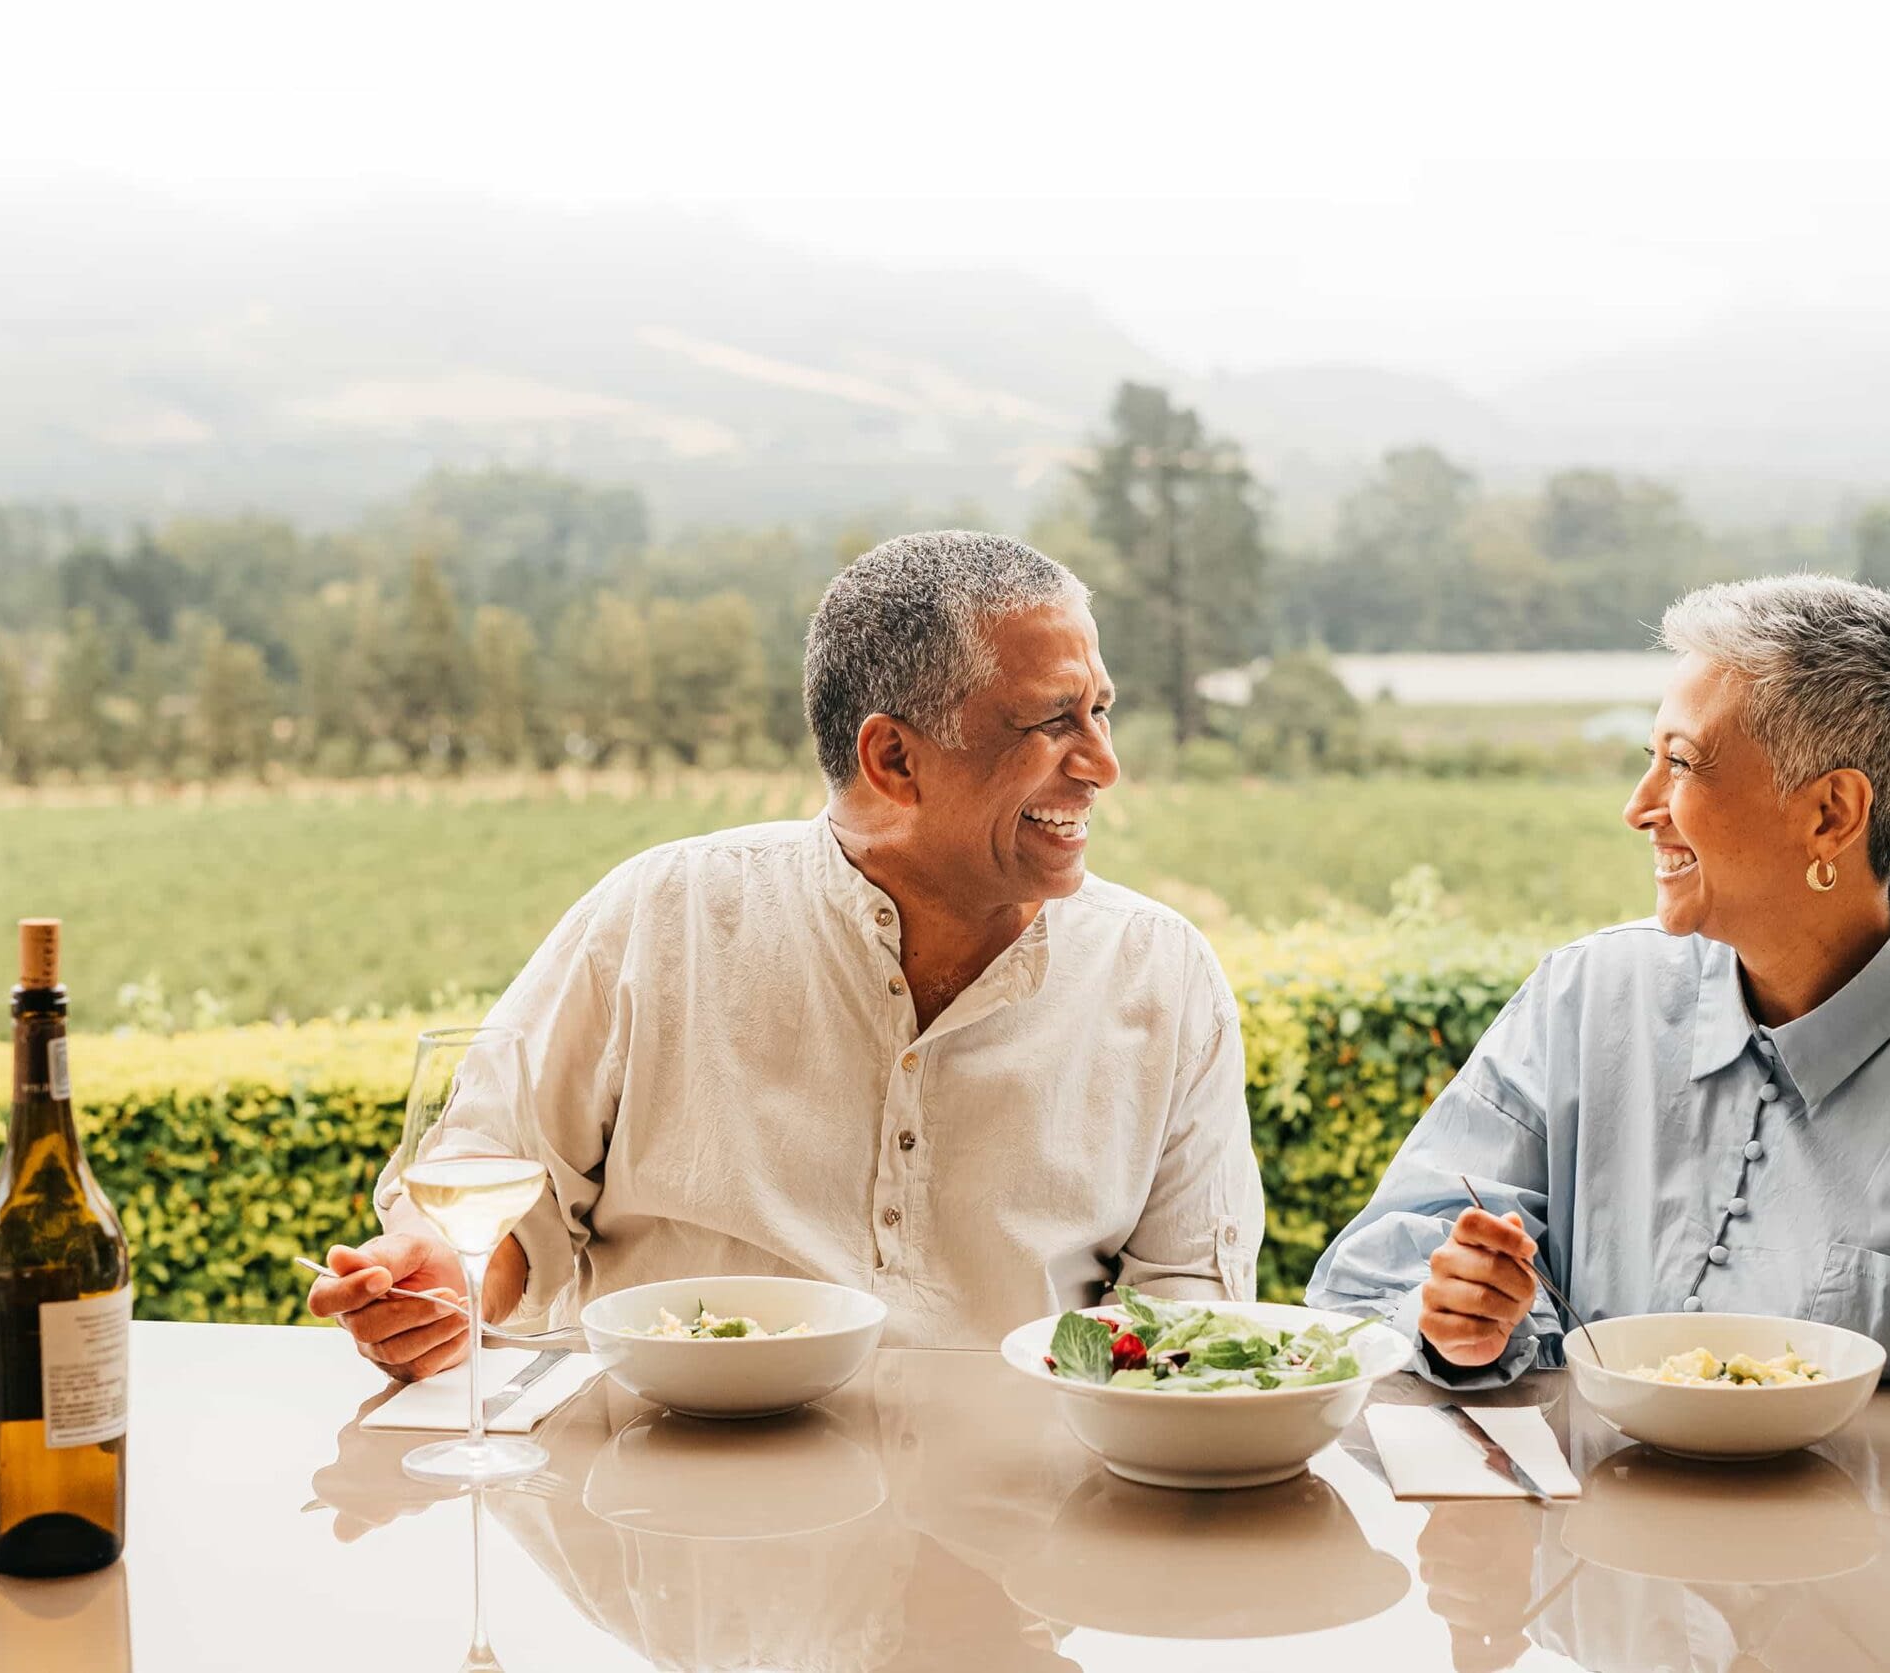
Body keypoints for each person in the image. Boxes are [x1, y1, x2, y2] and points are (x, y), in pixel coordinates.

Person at [310, 531, 1262, 1379]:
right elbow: (503, 1180)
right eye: (1054, 721)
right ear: (893, 761)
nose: (1101, 761)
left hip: (1027, 1527)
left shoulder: (1161, 974)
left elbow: (1189, 1315)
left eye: (1102, 711)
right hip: (662, 1518)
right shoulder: (661, 915)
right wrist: (445, 1278)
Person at [1307, 575, 1890, 1386]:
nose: (1639, 806)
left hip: (1867, 1545)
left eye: (1681, 764)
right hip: (1584, 1534)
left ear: (1831, 814)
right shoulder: (1584, 1000)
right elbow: (1377, 1268)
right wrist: (1454, 1319)